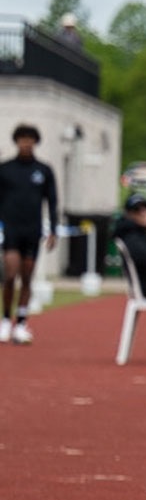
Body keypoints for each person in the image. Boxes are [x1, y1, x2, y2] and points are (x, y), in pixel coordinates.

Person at [0, 124, 59, 345]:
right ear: (16, 141)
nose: (26, 143)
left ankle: (21, 322)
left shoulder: (43, 170)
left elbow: (52, 201)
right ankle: (6, 318)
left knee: (27, 277)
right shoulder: (5, 170)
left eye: (30, 139)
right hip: (12, 229)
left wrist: (53, 229)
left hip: (32, 230)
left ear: (35, 142)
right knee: (10, 274)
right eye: (22, 139)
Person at [111, 193, 146, 300]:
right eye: (137, 210)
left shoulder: (144, 233)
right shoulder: (132, 238)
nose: (143, 213)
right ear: (128, 214)